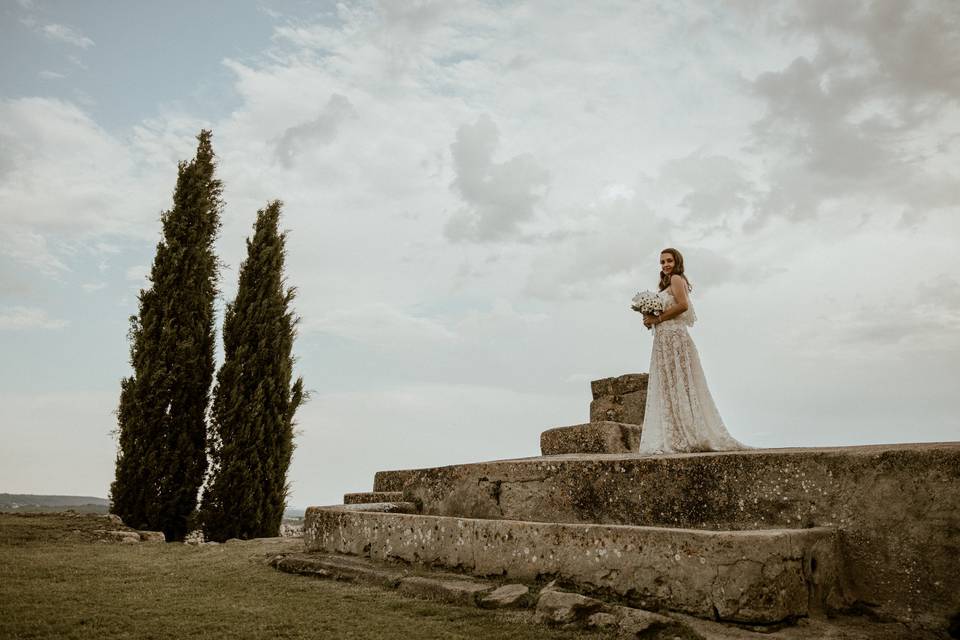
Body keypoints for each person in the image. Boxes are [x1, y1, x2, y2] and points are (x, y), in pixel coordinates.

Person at [638, 248, 748, 454]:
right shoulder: (666, 284)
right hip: (664, 340)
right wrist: (649, 320)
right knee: (669, 384)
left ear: (677, 262)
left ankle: (689, 431)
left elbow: (683, 306)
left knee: (681, 382)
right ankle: (676, 431)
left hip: (675, 338)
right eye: (662, 262)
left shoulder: (677, 279)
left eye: (669, 261)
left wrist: (658, 319)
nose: (665, 265)